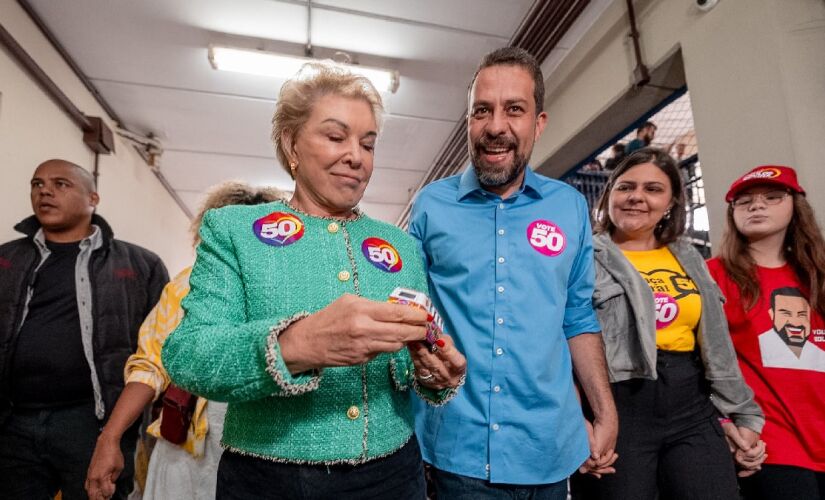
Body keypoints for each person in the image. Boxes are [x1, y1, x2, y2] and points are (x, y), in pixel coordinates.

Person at [161, 62, 467, 500]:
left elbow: (407, 365)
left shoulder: (399, 244)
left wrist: (433, 376)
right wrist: (296, 344)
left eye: (368, 143)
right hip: (271, 482)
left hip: (395, 475)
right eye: (335, 136)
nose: (357, 156)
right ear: (291, 144)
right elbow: (187, 355)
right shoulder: (233, 231)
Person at [410, 47, 618, 499]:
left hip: (550, 448)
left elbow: (578, 317)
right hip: (457, 452)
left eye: (514, 110)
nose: (496, 126)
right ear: (468, 120)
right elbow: (410, 319)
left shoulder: (568, 207)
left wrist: (605, 414)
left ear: (538, 123)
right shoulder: (430, 206)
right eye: (481, 110)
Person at [580, 148, 765, 500]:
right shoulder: (584, 256)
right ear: (609, 196)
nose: (637, 197)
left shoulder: (687, 254)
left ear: (671, 202)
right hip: (619, 401)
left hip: (689, 401)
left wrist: (739, 416)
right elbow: (566, 342)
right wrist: (580, 421)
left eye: (653, 189)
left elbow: (715, 342)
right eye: (625, 187)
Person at [85, 182, 284, 499]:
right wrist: (109, 437)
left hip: (267, 444)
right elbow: (150, 366)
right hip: (189, 446)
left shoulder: (287, 293)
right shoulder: (184, 288)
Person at [0, 159, 168, 499]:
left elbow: (162, 348)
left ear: (93, 198)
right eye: (37, 184)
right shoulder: (7, 260)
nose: (44, 190)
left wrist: (122, 432)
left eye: (61, 184)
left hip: (93, 420)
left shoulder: (139, 265)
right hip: (13, 421)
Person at [707, 165, 825, 499]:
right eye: (744, 202)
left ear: (795, 205)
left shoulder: (818, 276)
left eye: (772, 197)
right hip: (767, 440)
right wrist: (726, 424)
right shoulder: (712, 276)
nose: (757, 205)